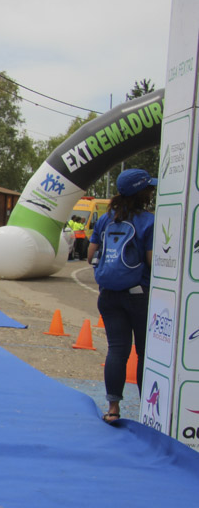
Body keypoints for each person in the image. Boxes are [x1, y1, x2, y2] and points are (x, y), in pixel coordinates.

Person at [87, 168, 156, 425]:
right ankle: (148, 411)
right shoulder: (148, 221)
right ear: (142, 193)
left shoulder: (106, 220)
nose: (152, 192)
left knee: (117, 350)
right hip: (139, 295)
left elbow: (90, 255)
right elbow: (151, 260)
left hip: (108, 295)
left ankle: (113, 408)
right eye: (149, 188)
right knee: (145, 352)